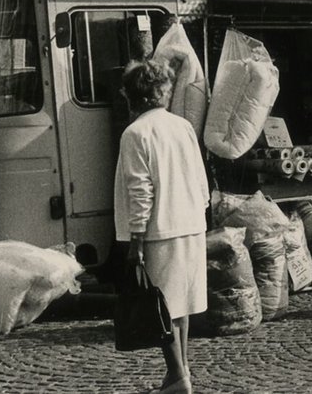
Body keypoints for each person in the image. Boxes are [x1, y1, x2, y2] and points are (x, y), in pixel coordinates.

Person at [115, 60, 210, 394]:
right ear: (163, 92)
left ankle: (178, 378)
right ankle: (179, 375)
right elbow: (201, 180)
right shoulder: (182, 126)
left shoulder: (135, 133)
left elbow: (141, 191)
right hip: (190, 224)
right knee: (179, 304)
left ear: (131, 95)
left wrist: (136, 240)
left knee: (162, 307)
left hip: (159, 231)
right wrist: (199, 214)